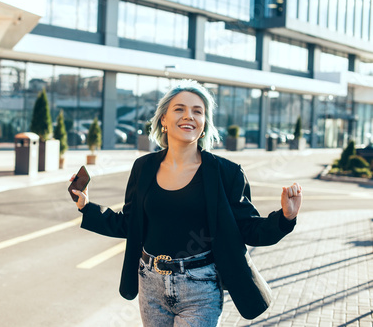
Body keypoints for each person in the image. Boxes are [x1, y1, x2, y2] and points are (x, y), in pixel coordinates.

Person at [70, 79, 302, 326]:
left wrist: (285, 218)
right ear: (163, 120)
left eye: (197, 111)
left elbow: (248, 228)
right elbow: (129, 223)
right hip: (150, 283)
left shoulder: (227, 173)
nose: (188, 116)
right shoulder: (144, 168)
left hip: (200, 288)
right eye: (179, 109)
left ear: (204, 125)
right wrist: (86, 206)